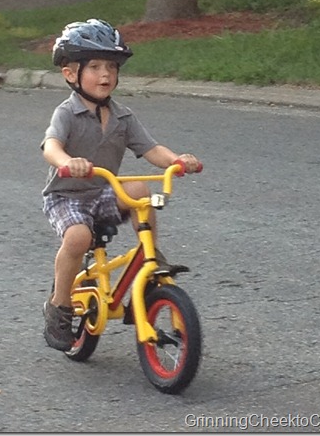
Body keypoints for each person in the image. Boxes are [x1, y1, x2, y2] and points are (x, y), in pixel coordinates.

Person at [40, 19, 201, 351]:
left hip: (100, 193)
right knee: (78, 236)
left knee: (141, 191)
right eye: (95, 66)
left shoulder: (122, 116)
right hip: (66, 196)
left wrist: (175, 160)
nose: (105, 75)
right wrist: (68, 162)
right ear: (71, 74)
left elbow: (151, 149)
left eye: (111, 67)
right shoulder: (66, 114)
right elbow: (51, 146)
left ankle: (151, 258)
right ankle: (58, 307)